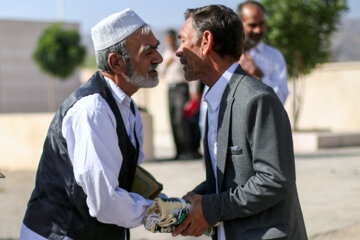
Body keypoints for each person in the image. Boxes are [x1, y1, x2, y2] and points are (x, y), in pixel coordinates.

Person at [20, 9, 163, 240]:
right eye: (148, 51)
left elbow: (126, 176)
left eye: (156, 47)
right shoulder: (93, 110)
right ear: (116, 62)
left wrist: (166, 203)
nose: (159, 57)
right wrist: (159, 214)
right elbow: (104, 202)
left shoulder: (128, 107)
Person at [173, 5, 307, 240]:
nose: (178, 51)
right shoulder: (214, 101)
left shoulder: (257, 99)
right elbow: (231, 179)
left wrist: (210, 208)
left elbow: (274, 180)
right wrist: (194, 200)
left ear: (206, 41)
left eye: (183, 41)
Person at [159, 29, 202, 160]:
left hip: (182, 88)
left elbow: (191, 72)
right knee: (173, 120)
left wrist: (194, 91)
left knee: (181, 120)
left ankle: (188, 150)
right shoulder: (165, 54)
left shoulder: (182, 53)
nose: (169, 41)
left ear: (174, 39)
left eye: (171, 38)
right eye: (167, 39)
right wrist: (166, 63)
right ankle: (178, 151)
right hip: (170, 89)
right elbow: (160, 72)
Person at [238, 0, 289, 104]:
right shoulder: (225, 54)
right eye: (252, 25)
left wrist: (259, 76)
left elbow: (281, 98)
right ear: (239, 24)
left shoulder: (274, 56)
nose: (258, 30)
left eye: (261, 24)